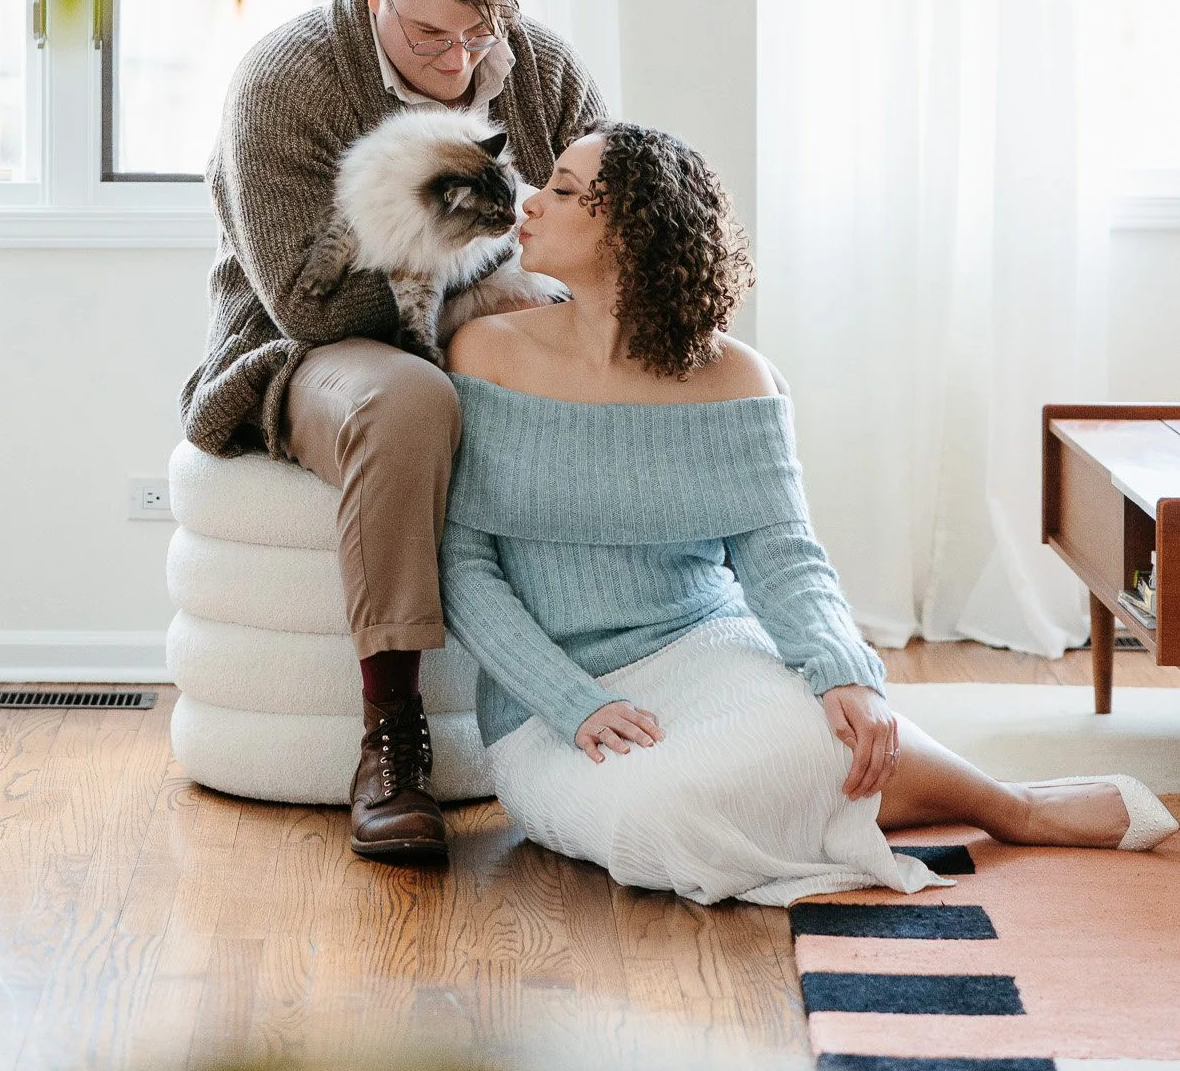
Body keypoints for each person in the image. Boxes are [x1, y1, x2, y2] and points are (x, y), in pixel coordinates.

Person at [441, 124, 1177, 904]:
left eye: (561, 190)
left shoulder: (736, 378)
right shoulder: (484, 352)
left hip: (704, 650)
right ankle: (921, 804)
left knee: (838, 738)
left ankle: (1008, 808)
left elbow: (782, 554)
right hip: (545, 701)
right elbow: (463, 566)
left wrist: (842, 674)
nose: (529, 204)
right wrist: (571, 701)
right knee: (653, 825)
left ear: (629, 231)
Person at [181, 0, 605, 865]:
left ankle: (638, 680)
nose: (460, 60)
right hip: (307, 353)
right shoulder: (285, 81)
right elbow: (311, 298)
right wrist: (488, 291)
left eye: (478, 32)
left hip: (496, 323)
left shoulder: (538, 67)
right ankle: (392, 740)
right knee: (409, 397)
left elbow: (603, 231)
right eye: (428, 36)